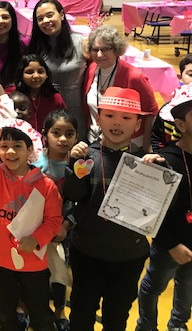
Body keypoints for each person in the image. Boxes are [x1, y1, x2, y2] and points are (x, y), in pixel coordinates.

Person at [64, 87, 151, 331]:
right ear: (98, 117)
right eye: (110, 115)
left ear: (137, 125)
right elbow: (73, 195)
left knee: (117, 315)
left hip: (128, 255)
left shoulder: (145, 163)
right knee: (81, 312)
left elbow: (157, 208)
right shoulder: (87, 155)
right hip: (87, 251)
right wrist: (74, 165)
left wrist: (158, 174)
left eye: (126, 118)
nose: (117, 123)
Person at [0, 120, 62, 331]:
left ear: (30, 149)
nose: (10, 152)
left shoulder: (45, 185)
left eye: (17, 146)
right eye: (4, 146)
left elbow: (54, 220)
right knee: (5, 312)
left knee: (39, 311)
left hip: (33, 262)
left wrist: (36, 239)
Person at [137, 85, 192, 331]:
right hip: (169, 243)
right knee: (153, 285)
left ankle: (178, 324)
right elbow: (150, 211)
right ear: (180, 125)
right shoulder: (167, 161)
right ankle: (146, 326)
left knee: (188, 286)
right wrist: (170, 243)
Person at [34, 110, 83, 330]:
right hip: (40, 228)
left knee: (61, 271)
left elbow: (82, 200)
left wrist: (65, 224)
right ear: (45, 134)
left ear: (76, 136)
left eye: (69, 134)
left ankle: (60, 309)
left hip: (65, 229)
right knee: (39, 271)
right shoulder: (36, 166)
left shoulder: (80, 166)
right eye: (57, 133)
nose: (63, 139)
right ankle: (35, 307)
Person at [84, 25, 158, 151]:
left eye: (105, 49)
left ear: (117, 50)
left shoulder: (135, 77)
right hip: (96, 141)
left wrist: (147, 147)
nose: (99, 54)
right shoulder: (91, 69)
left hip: (128, 145)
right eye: (95, 49)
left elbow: (151, 112)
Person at [28, 0, 88, 138]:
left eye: (50, 15)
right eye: (40, 18)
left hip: (74, 111)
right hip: (45, 111)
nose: (45, 21)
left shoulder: (82, 43)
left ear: (61, 15)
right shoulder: (36, 47)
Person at [14, 54, 67, 132]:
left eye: (40, 71)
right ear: (21, 75)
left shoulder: (55, 98)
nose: (36, 76)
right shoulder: (12, 95)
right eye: (30, 72)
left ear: (46, 75)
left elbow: (63, 122)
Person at [0, 1, 27, 90]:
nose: (0, 21)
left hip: (18, 97)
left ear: (12, 20)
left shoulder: (24, 43)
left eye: (5, 17)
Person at [152, 54, 192, 150]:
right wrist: (161, 155)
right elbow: (156, 137)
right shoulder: (166, 111)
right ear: (179, 77)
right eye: (191, 75)